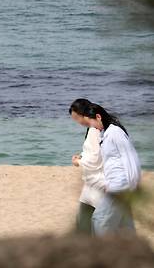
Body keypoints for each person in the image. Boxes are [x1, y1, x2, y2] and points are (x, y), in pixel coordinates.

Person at [82, 102, 141, 235]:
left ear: (98, 117)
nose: (91, 127)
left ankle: (103, 253)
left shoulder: (115, 132)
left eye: (91, 123)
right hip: (115, 184)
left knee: (100, 220)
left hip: (121, 185)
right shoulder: (106, 133)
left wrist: (133, 185)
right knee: (124, 225)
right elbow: (111, 162)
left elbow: (131, 158)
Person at [68, 98, 104, 234]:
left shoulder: (95, 130)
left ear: (84, 113)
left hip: (97, 183)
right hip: (92, 183)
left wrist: (79, 162)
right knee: (86, 221)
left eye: (77, 118)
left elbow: (95, 159)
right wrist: (82, 156)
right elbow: (94, 153)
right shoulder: (93, 129)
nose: (78, 122)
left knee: (89, 222)